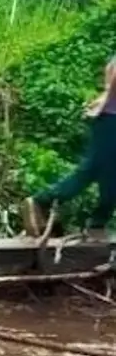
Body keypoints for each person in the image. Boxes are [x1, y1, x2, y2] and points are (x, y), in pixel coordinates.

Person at [24, 55, 116, 243]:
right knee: (92, 168)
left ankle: (97, 224)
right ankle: (42, 201)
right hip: (110, 120)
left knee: (107, 175)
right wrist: (105, 98)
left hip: (109, 118)